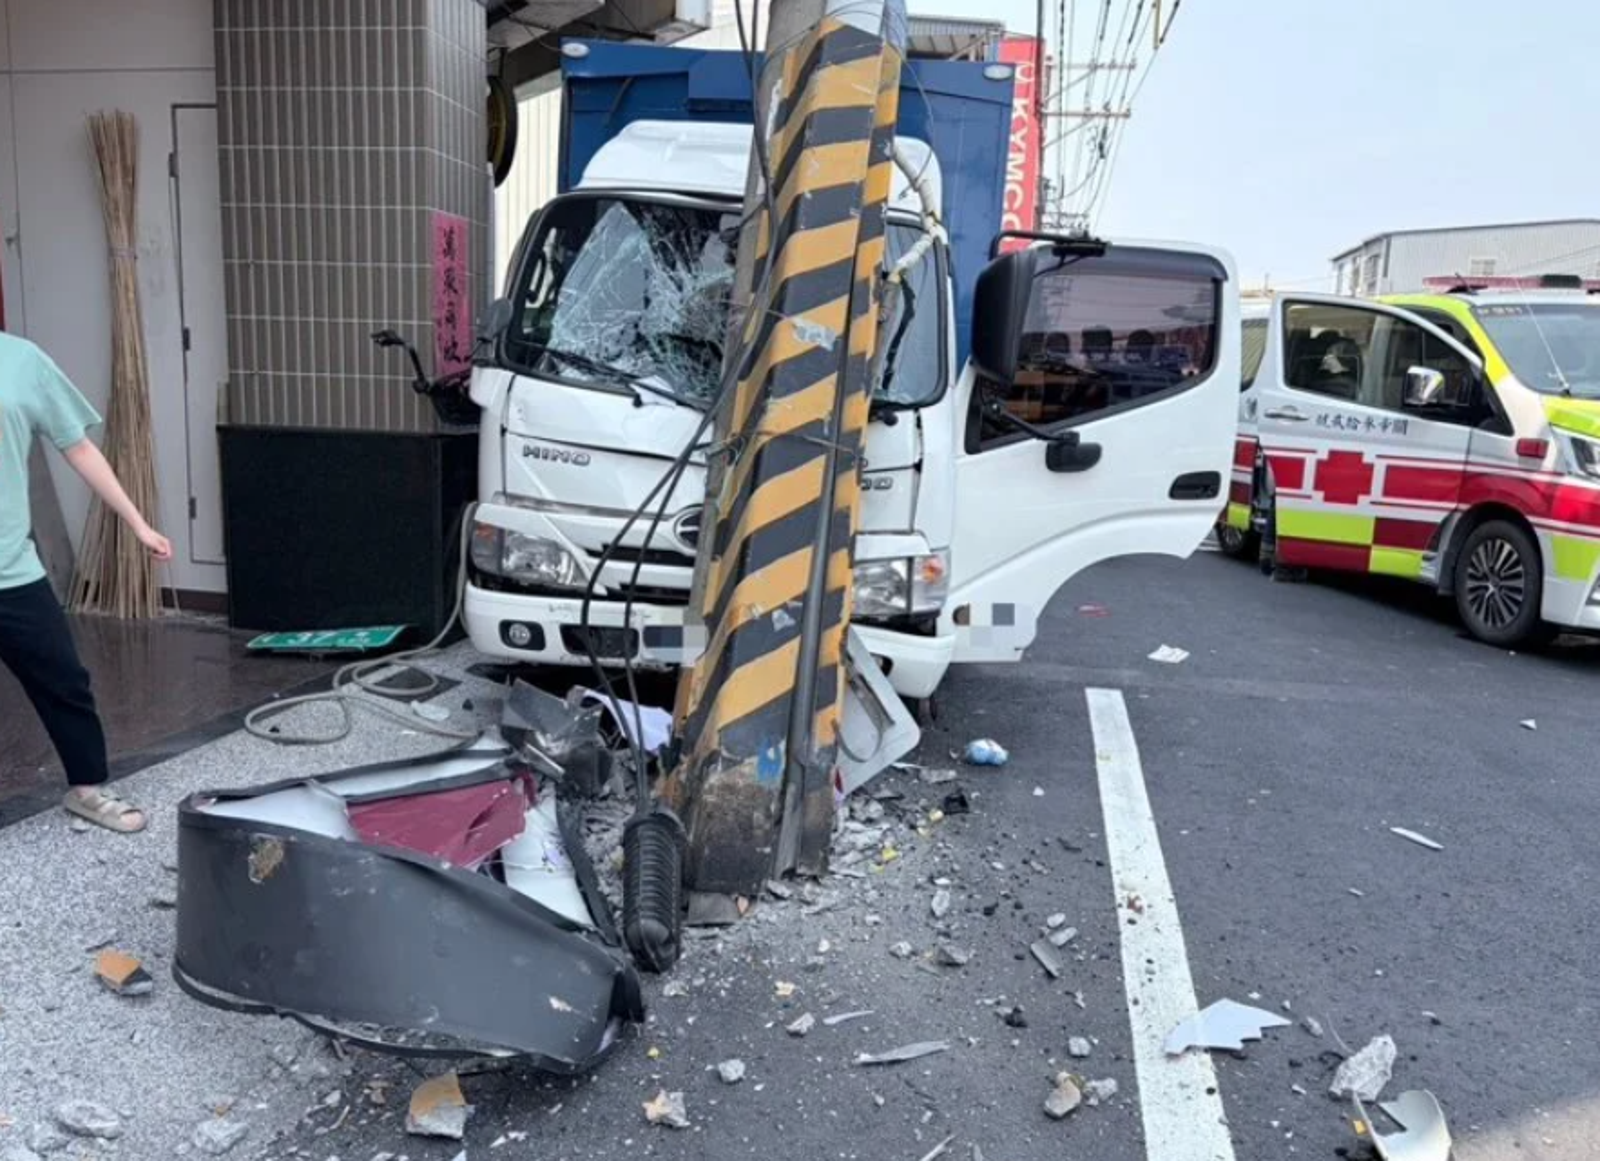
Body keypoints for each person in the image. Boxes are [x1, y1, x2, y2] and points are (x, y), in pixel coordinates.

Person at [1, 333, 171, 833]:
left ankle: (88, 789)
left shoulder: (22, 360)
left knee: (63, 679)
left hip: (11, 569)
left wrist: (137, 522)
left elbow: (77, 447)